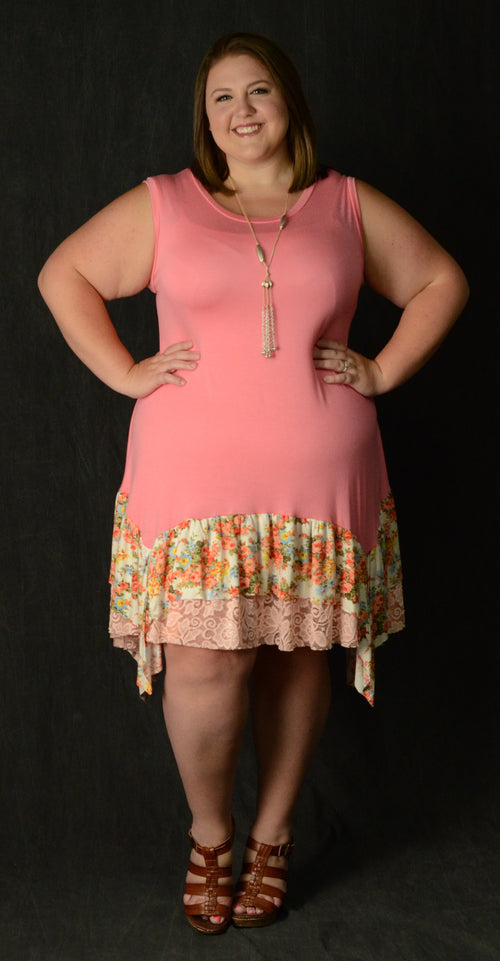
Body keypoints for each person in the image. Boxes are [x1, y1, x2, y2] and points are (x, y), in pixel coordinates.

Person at [37, 31, 469, 935]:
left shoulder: (344, 203)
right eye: (223, 97)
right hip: (193, 482)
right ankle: (210, 836)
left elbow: (440, 280)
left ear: (289, 103)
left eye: (259, 91)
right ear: (205, 118)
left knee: (300, 655)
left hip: (322, 482)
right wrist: (125, 371)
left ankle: (273, 838)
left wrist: (382, 369)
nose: (242, 110)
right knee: (205, 659)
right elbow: (62, 273)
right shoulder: (167, 204)